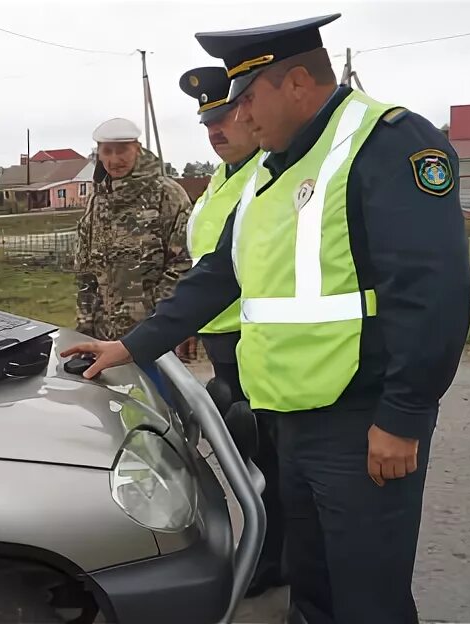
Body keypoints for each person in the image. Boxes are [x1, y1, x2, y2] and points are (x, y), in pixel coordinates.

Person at [63, 14, 470, 624]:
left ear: (300, 83)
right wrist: (132, 346)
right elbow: (217, 275)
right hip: (290, 417)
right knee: (311, 584)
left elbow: (433, 291)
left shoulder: (386, 143)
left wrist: (405, 416)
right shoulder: (268, 172)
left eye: (248, 99)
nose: (240, 117)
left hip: (362, 425)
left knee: (368, 597)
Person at [179, 65, 284, 597]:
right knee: (249, 453)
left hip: (254, 339)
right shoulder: (220, 179)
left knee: (269, 459)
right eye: (207, 124)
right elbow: (206, 264)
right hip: (222, 340)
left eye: (223, 118)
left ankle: (275, 556)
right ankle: (273, 549)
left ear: (247, 112)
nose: (216, 131)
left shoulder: (266, 174)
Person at [74, 117, 193, 398]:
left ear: (137, 149)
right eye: (107, 151)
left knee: (164, 414)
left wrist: (153, 316)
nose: (115, 159)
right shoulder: (97, 201)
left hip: (152, 339)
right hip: (104, 340)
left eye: (122, 150)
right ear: (98, 154)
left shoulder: (167, 195)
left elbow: (183, 264)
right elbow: (85, 271)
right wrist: (84, 329)